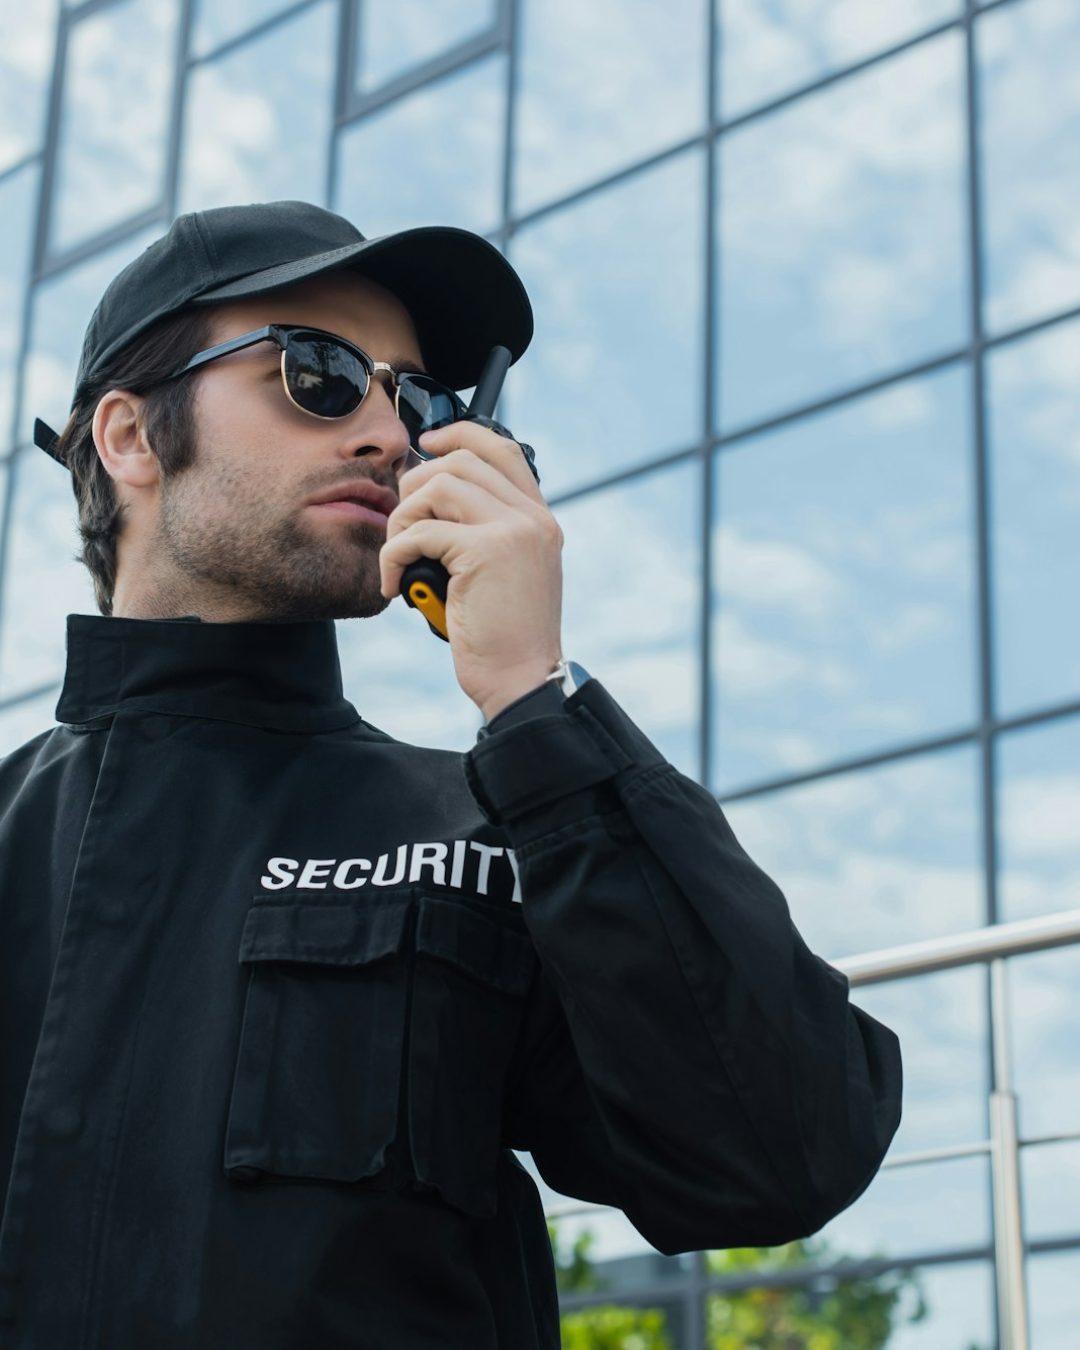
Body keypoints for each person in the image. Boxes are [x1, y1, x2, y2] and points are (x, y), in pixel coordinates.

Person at [0, 200, 902, 1350]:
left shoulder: (503, 824)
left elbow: (784, 1158)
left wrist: (533, 695)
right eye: (320, 372)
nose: (390, 431)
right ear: (130, 439)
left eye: (416, 396)